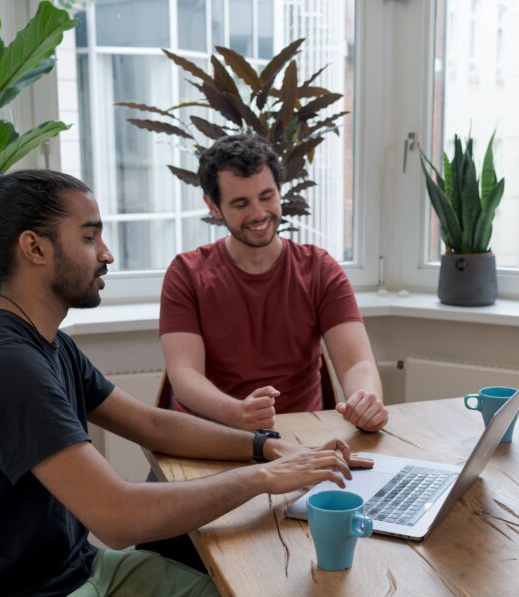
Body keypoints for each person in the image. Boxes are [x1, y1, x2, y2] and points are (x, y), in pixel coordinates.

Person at [0, 169, 359, 597]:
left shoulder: (50, 344)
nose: (107, 253)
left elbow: (150, 423)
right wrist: (262, 479)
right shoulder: (4, 362)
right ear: (34, 248)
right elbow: (118, 518)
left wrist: (265, 448)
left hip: (73, 572)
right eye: (89, 236)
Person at [159, 134, 388, 434]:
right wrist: (238, 413)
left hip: (300, 437)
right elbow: (185, 376)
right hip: (212, 435)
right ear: (213, 206)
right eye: (240, 203)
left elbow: (357, 362)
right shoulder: (186, 274)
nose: (258, 213)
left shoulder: (320, 269)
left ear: (280, 191)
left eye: (266, 197)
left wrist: (365, 399)